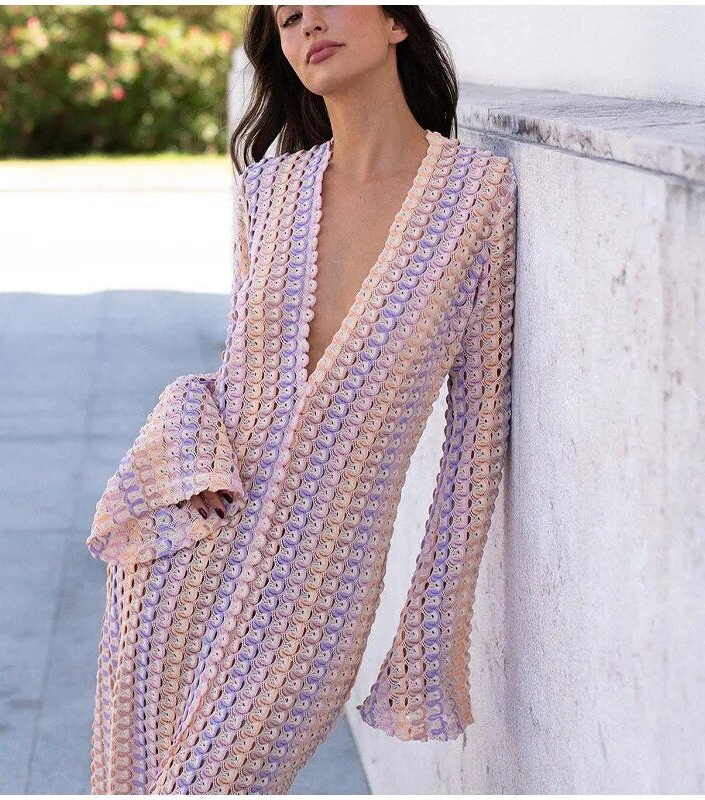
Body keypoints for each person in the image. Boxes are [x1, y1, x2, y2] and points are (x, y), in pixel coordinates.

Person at [87, 5, 517, 794]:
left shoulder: (476, 199)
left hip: (318, 597)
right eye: (287, 17)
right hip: (182, 553)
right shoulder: (269, 192)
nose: (309, 22)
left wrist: (426, 635)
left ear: (396, 23)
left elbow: (475, 441)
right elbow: (235, 376)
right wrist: (191, 446)